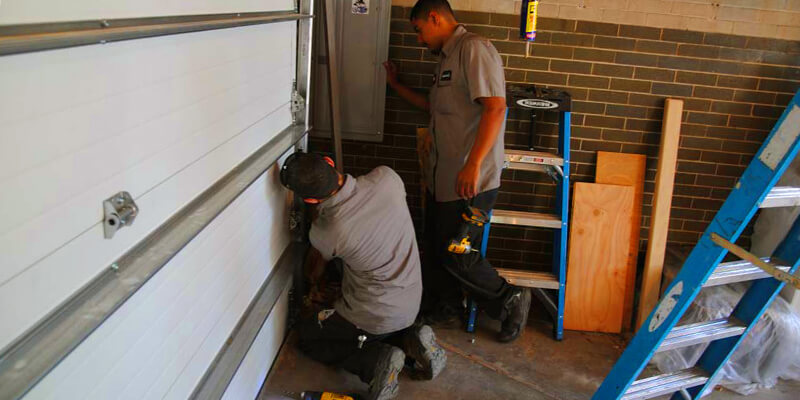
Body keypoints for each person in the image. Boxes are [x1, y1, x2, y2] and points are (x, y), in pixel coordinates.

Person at [383, 0, 531, 342]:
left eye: (419, 30)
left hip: (470, 180)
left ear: (435, 18)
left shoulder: (473, 49)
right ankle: (446, 309)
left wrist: (474, 165)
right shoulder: (446, 60)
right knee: (437, 249)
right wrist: (396, 86)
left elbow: (495, 108)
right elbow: (433, 107)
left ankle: (510, 299)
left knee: (458, 252)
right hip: (444, 177)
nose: (419, 40)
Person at [280, 152, 446, 400]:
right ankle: (411, 338)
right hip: (411, 302)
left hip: (373, 316)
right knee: (373, 324)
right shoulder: (387, 178)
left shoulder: (329, 230)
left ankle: (375, 362)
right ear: (329, 162)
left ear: (311, 199)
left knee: (308, 337)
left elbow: (314, 270)